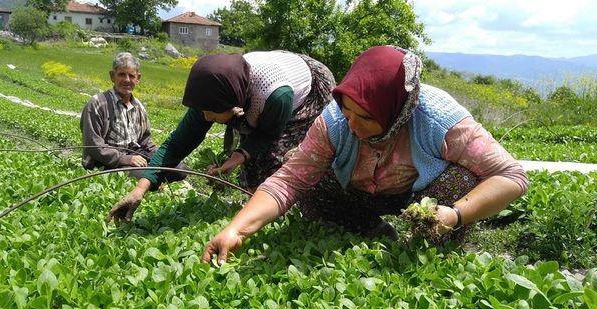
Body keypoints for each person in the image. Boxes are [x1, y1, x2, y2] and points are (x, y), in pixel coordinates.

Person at [201, 45, 529, 265]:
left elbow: (511, 177)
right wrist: (237, 229)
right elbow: (289, 181)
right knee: (308, 180)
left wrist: (454, 215)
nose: (353, 125)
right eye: (348, 110)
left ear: (397, 111)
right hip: (356, 194)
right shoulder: (334, 120)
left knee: (463, 179)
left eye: (368, 117)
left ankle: (433, 248)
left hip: (420, 201)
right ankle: (370, 229)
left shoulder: (438, 118)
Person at [107, 50, 336, 223]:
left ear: (233, 103)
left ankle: (284, 213)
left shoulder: (276, 97)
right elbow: (177, 144)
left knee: (277, 157)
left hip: (308, 89)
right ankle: (254, 207)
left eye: (210, 111)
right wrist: (141, 188)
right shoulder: (215, 91)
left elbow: (267, 135)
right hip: (260, 88)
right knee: (253, 164)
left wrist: (238, 157)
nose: (205, 116)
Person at [80, 52, 187, 180]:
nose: (127, 80)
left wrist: (163, 157)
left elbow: (145, 142)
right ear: (112, 76)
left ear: (138, 78)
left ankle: (151, 179)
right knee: (147, 176)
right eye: (121, 74)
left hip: (135, 156)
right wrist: (125, 159)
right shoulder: (97, 103)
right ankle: (148, 182)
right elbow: (93, 146)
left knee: (179, 169)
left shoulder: (138, 107)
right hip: (106, 162)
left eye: (131, 76)